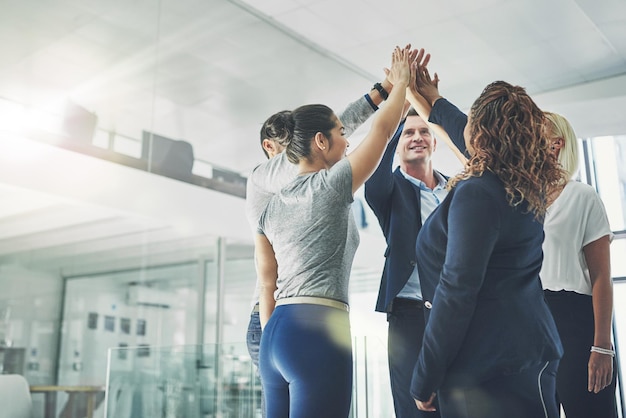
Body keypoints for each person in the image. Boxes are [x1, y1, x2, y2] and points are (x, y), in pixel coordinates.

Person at [254, 46, 411, 418]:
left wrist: (401, 95)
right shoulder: (332, 184)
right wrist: (401, 82)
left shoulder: (269, 207)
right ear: (321, 142)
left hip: (275, 335)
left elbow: (266, 284)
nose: (347, 140)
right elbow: (383, 130)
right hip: (317, 331)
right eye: (341, 133)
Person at [410, 81, 564, 418]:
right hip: (516, 357)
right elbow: (465, 134)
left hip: (490, 369)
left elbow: (456, 291)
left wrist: (424, 376)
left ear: (479, 133)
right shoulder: (519, 182)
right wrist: (431, 99)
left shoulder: (479, 193)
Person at [363, 59, 466, 417]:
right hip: (408, 315)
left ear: (434, 142)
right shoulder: (390, 191)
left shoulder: (456, 188)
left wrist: (432, 105)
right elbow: (373, 174)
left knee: (458, 399)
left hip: (453, 310)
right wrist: (400, 111)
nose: (417, 137)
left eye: (424, 132)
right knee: (414, 407)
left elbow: (474, 153)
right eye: (409, 133)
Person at [541, 111, 616, 418]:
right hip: (531, 321)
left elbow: (601, 277)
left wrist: (602, 346)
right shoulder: (518, 199)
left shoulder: (583, 197)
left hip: (574, 322)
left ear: (555, 145)